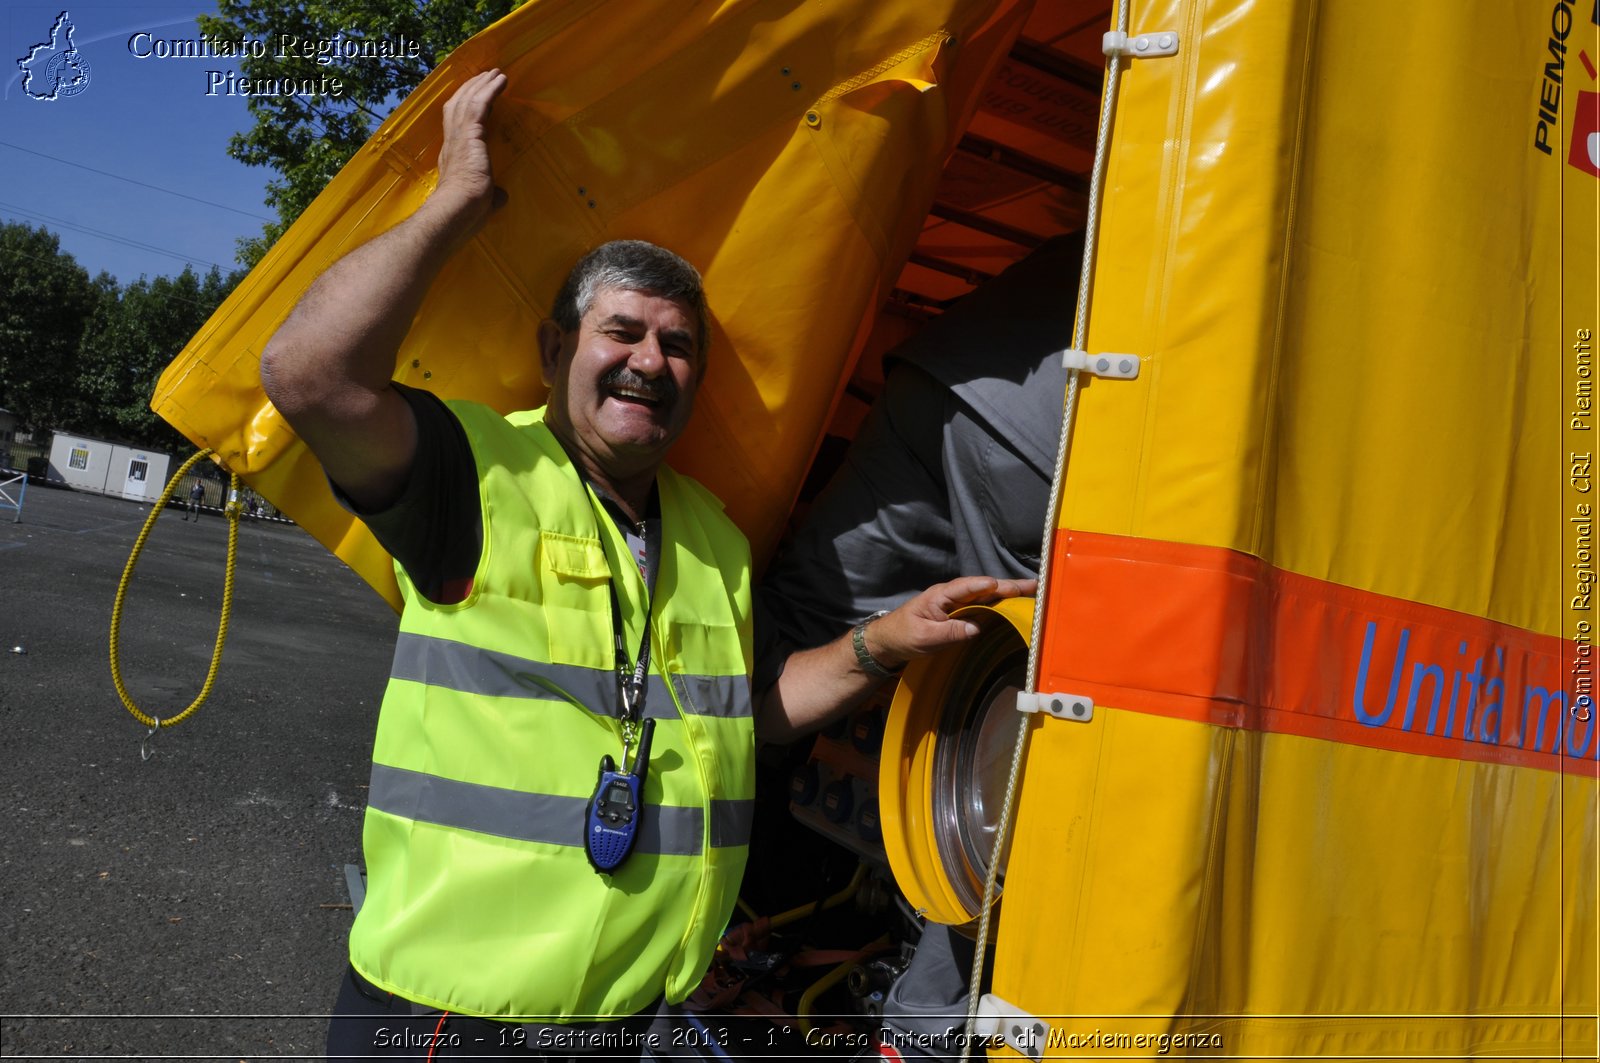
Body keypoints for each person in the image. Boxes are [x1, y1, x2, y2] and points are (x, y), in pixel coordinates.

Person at [258, 69, 1029, 1060]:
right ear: (553, 350)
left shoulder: (711, 533)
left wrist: (881, 642)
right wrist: (456, 199)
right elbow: (307, 372)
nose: (650, 360)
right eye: (620, 332)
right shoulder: (476, 470)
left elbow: (736, 721)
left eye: (677, 347)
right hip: (447, 1023)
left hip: (629, 1023)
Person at [755, 234, 1081, 1058]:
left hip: (952, 370)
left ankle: (728, 910)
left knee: (797, 636)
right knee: (1026, 751)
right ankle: (923, 1034)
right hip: (1053, 429)